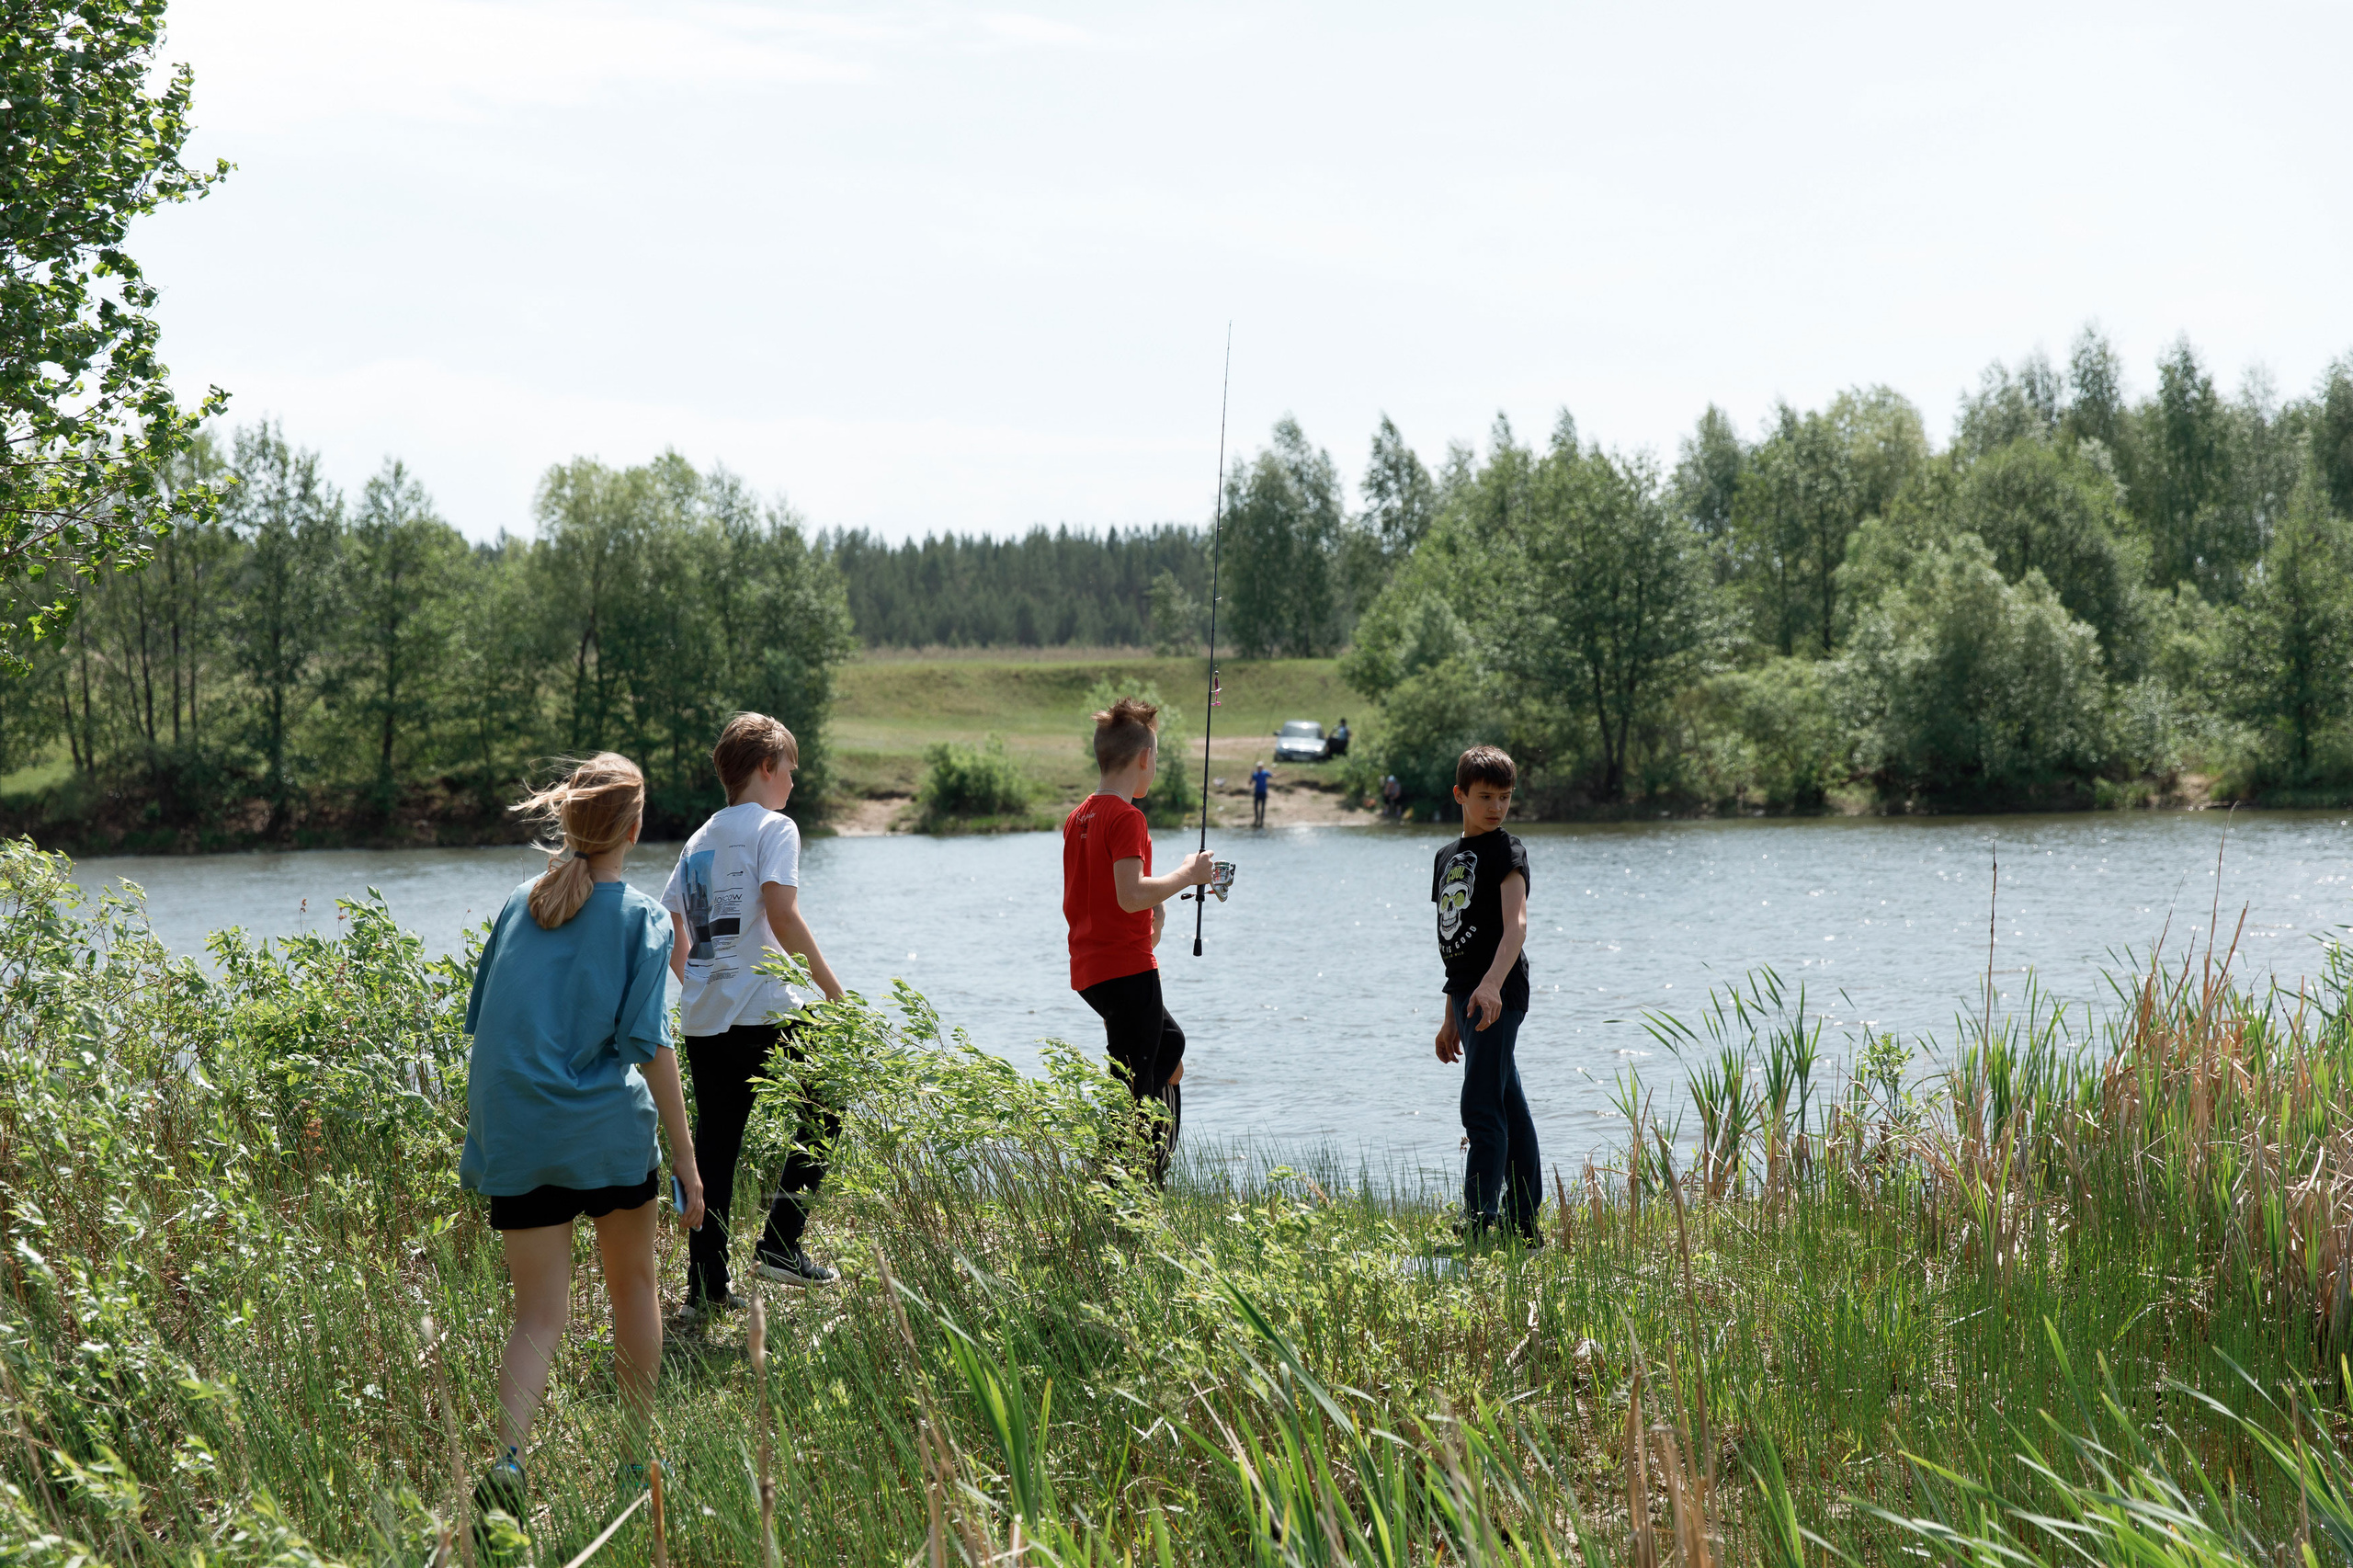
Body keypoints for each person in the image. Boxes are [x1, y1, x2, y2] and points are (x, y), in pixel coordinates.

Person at [460, 752, 701, 1528]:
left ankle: (508, 1462)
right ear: (635, 825)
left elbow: (486, 1025)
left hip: (519, 1135)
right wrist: (689, 1167)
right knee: (633, 1287)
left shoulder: (516, 903)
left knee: (537, 1316)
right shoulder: (643, 917)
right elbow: (651, 1046)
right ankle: (635, 1458)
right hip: (605, 1136)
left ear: (571, 822)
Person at [662, 712, 847, 1315]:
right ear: (767, 768)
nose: (793, 782)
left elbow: (672, 927)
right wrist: (831, 990)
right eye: (790, 769)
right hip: (766, 1010)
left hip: (704, 1018)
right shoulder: (776, 828)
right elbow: (782, 913)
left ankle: (707, 1289)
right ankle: (780, 1244)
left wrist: (696, 980)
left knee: (716, 1147)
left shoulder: (699, 838)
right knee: (830, 1096)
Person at [1064, 696, 1214, 1182]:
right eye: (1158, 757)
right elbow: (1130, 894)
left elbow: (1108, 896)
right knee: (1136, 1093)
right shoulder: (1128, 818)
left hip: (1092, 972)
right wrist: (1188, 874)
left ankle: (1119, 1183)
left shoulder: (1079, 817)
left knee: (1168, 1048)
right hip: (1128, 971)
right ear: (1145, 759)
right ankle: (1135, 1194)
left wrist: (1155, 907)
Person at [1429, 745, 1540, 1246]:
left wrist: (1491, 984)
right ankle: (1523, 1225)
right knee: (1506, 1102)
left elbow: (1515, 926)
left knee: (1479, 1105)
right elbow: (1453, 943)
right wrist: (1450, 1014)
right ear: (1460, 795)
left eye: (1505, 797)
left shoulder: (1507, 851)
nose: (1496, 806)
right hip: (1468, 998)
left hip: (1498, 993)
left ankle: (1479, 1222)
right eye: (1485, 796)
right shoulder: (1446, 857)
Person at [1250, 759, 1273, 828]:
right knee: (1256, 807)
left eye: (1260, 766)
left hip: (1263, 792)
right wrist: (1251, 777)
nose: (1259, 768)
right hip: (1257, 792)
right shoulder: (1255, 774)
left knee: (1263, 807)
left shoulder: (1265, 773)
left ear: (1262, 767)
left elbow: (1273, 776)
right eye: (1258, 767)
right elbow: (1250, 783)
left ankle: (1262, 821)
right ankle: (1256, 819)